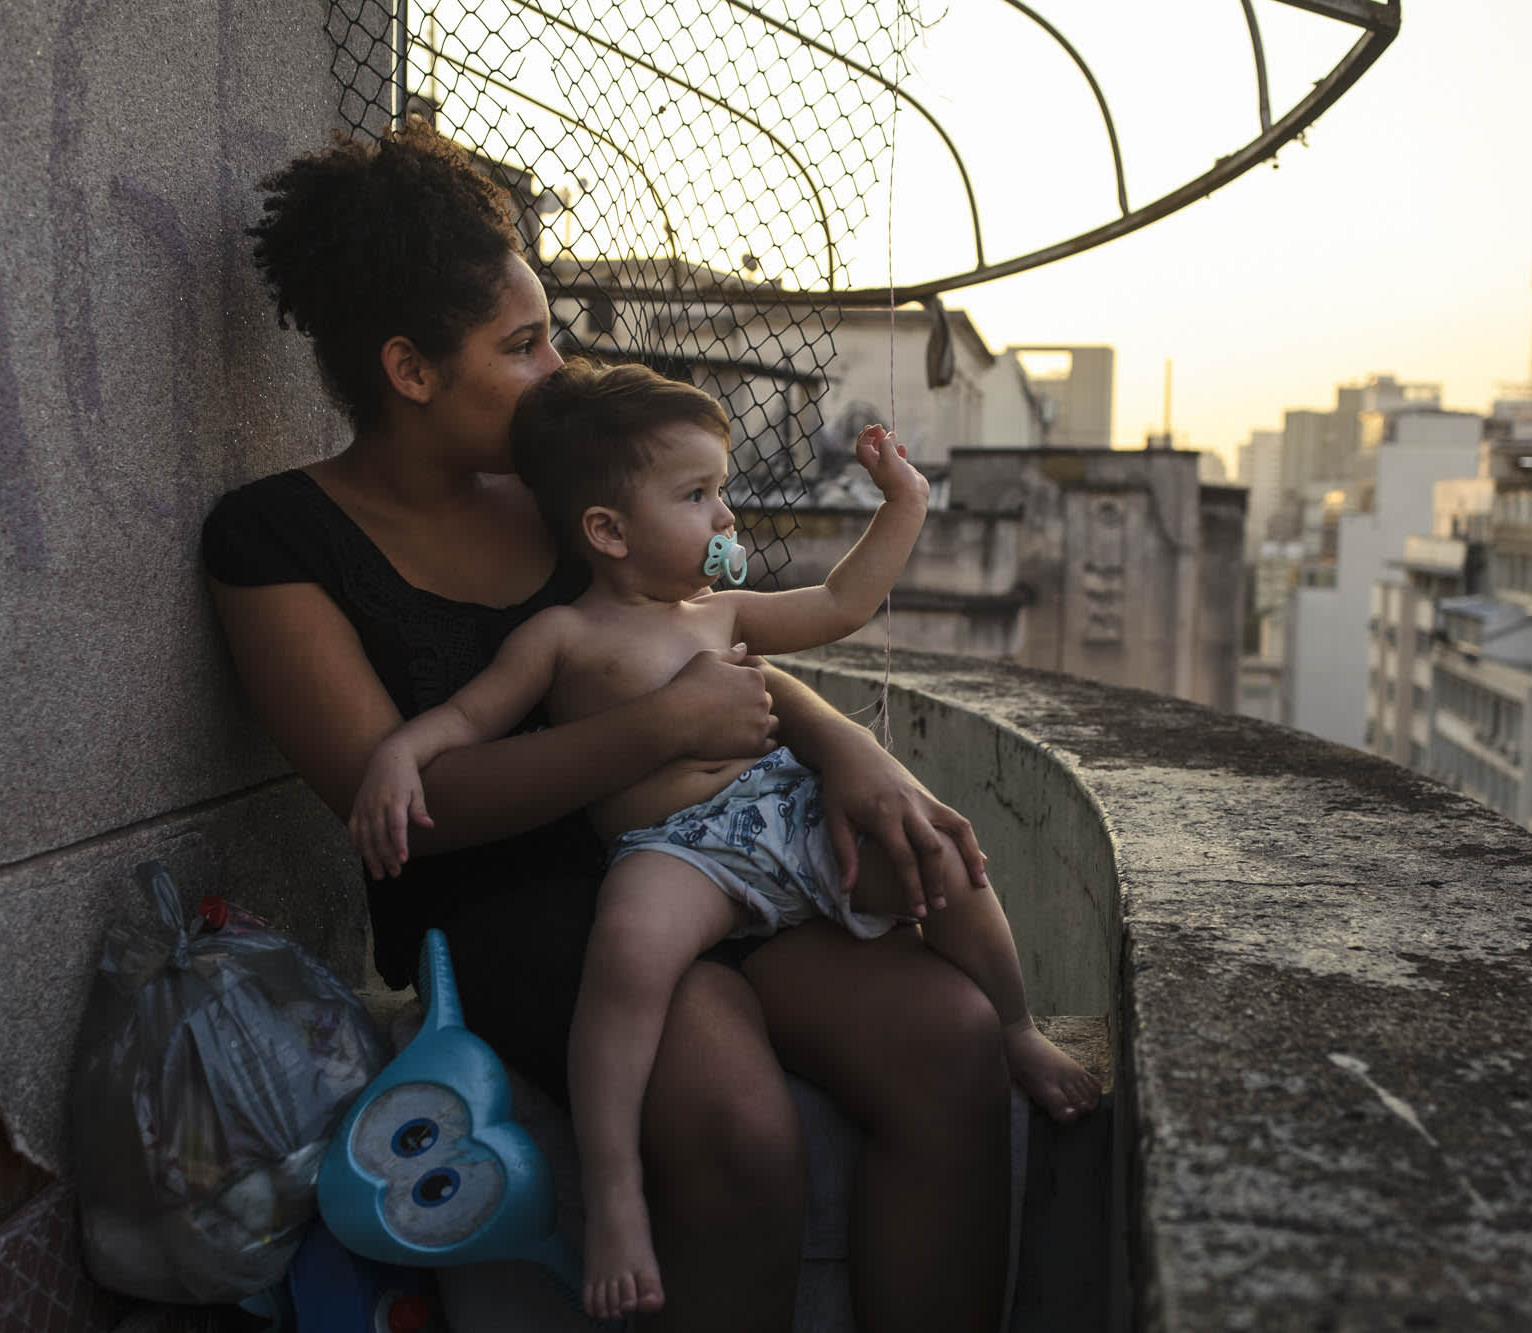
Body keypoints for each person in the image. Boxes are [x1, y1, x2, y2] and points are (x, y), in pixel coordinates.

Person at [201, 118, 1020, 1333]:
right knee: (734, 1130)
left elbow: (703, 640)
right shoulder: (273, 540)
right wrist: (654, 735)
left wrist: (852, 756)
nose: (557, 371)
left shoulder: (560, 498)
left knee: (952, 1042)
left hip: (705, 840)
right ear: (410, 371)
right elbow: (409, 819)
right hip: (515, 906)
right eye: (523, 345)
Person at [347, 359, 1100, 1320]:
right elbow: (468, 716)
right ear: (608, 530)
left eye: (722, 490)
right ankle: (617, 1194)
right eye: (698, 495)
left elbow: (841, 604)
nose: (726, 519)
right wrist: (400, 753)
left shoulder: (724, 611)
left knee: (940, 857)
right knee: (624, 958)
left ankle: (1015, 1022)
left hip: (781, 812)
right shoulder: (564, 638)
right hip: (679, 851)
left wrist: (902, 503)